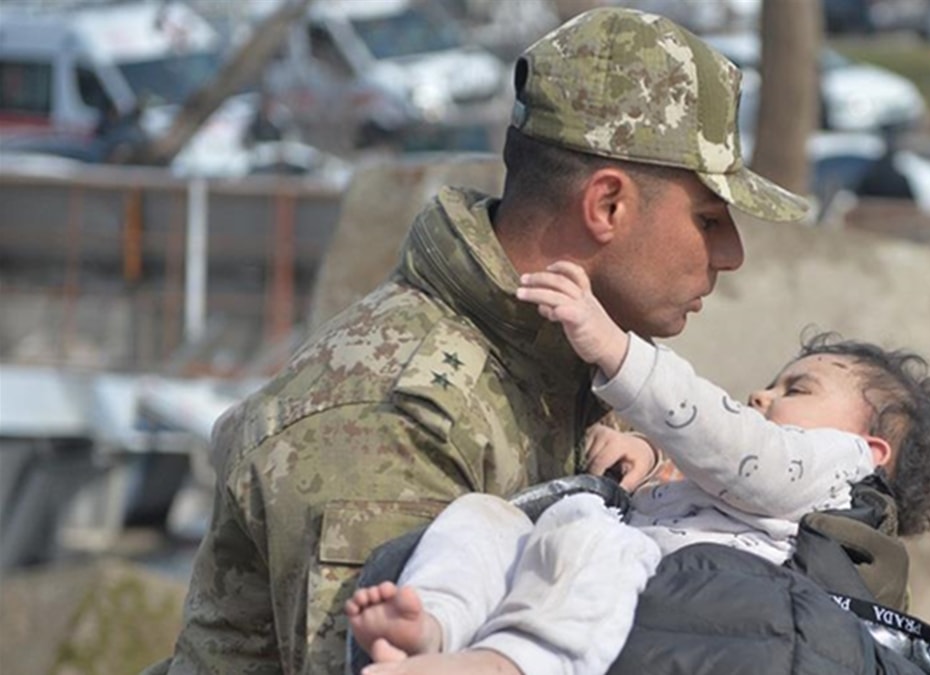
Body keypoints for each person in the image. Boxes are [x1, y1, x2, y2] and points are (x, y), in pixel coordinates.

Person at [142, 8, 814, 675]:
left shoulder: (570, 360)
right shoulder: (392, 423)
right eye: (708, 217)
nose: (731, 254)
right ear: (607, 205)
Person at [344, 262, 930, 675]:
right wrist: (646, 468)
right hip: (604, 582)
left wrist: (617, 352)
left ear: (870, 449)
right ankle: (435, 623)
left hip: (638, 585)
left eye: (797, 388)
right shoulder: (742, 482)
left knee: (597, 541)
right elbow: (717, 478)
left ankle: (507, 663)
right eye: (771, 384)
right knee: (485, 518)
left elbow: (739, 453)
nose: (761, 396)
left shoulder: (834, 469)